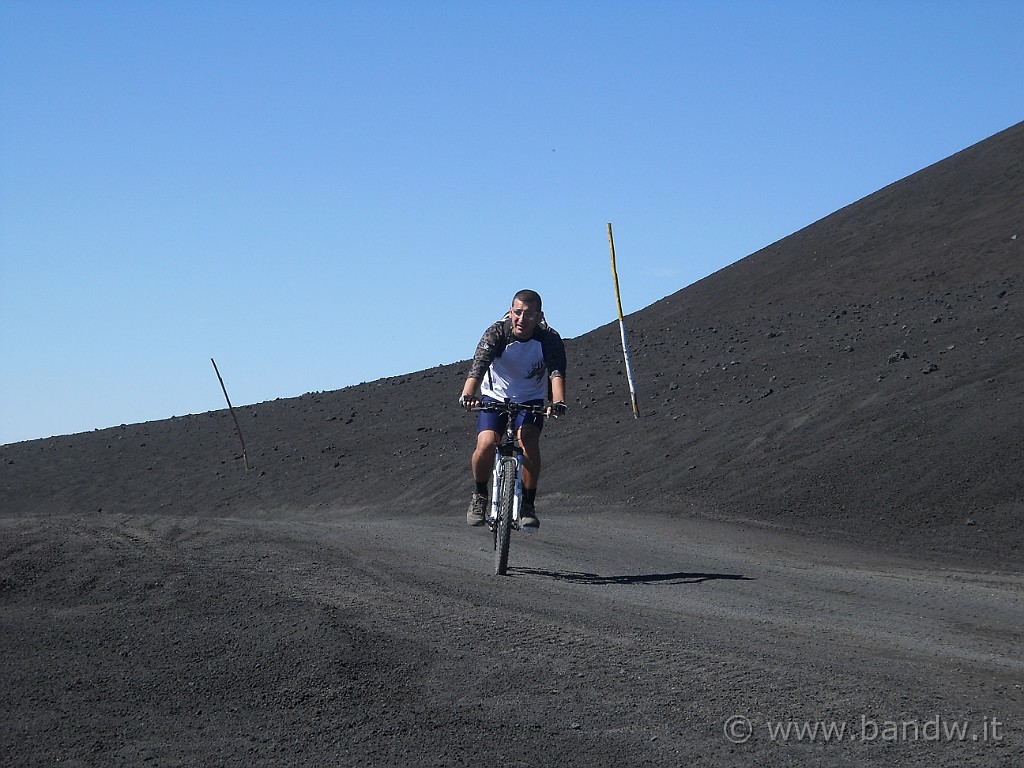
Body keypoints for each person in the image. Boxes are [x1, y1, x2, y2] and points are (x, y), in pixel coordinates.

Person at [459, 289, 568, 529]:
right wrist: (468, 395)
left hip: (530, 398)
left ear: (539, 317)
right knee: (486, 443)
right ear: (511, 312)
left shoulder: (549, 338)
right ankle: (479, 496)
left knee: (528, 439)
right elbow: (478, 367)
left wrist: (557, 402)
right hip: (495, 396)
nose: (521, 319)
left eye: (528, 314)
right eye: (517, 312)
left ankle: (528, 504)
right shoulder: (497, 332)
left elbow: (556, 373)